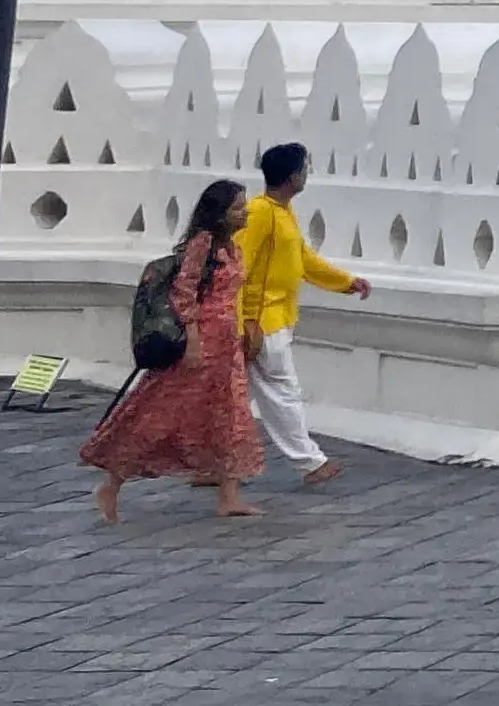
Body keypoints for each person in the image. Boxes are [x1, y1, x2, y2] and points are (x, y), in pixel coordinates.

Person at [82, 178, 267, 522]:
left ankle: (229, 495)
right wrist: (194, 341)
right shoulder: (203, 244)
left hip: (227, 343)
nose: (245, 212)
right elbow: (185, 294)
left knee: (232, 415)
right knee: (159, 412)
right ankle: (112, 482)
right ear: (221, 213)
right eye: (238, 207)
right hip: (203, 340)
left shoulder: (233, 248)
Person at [240, 144, 371, 487]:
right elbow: (239, 268)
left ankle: (209, 467)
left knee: (233, 396)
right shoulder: (260, 213)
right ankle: (310, 462)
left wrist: (345, 282)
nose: (307, 174)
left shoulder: (283, 213)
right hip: (261, 321)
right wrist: (243, 319)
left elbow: (303, 260)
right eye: (304, 168)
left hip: (276, 316)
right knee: (282, 391)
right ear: (293, 175)